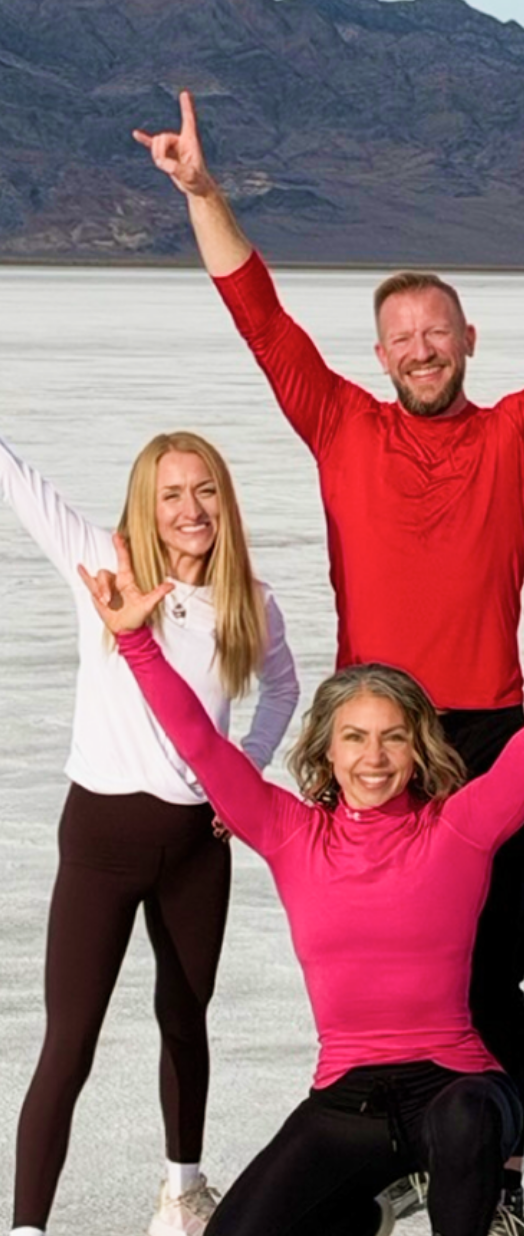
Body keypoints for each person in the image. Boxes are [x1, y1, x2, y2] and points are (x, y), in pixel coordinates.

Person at [135, 91, 524, 1232]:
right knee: (369, 968)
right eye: (400, 336)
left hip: (483, 735)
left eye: (436, 331)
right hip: (366, 736)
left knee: (493, 974)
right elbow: (259, 315)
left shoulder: (516, 437)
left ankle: (495, 1184)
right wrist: (203, 192)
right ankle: (378, 1157)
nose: (420, 349)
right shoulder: (340, 424)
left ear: (467, 339)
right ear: (380, 354)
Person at [76, 529, 524, 1236]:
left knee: (467, 1120)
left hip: (457, 1086)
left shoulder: (461, 828)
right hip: (347, 1099)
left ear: (418, 748)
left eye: (393, 737)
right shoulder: (292, 834)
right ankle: (364, 1211)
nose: (374, 757)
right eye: (355, 737)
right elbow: (200, 742)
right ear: (327, 748)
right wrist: (136, 643)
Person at [1, 431, 299, 1236]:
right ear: (146, 503)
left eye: (204, 491)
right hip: (99, 842)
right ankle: (27, 1227)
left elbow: (283, 688)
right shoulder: (104, 564)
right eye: (171, 494)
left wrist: (244, 774)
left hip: (198, 846)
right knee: (70, 1040)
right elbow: (20, 483)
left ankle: (181, 1194)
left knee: (185, 1017)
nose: (190, 509)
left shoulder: (248, 599)